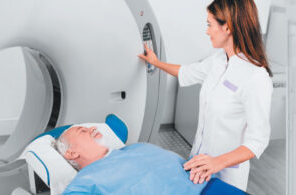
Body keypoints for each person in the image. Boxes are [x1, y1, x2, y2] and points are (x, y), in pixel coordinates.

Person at [138, 0, 273, 191]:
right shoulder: (218, 60)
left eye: (210, 24)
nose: (207, 31)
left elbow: (258, 139)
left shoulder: (256, 77)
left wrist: (217, 162)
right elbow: (185, 72)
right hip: (199, 162)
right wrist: (156, 62)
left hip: (226, 173)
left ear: (227, 28)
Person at [56, 126, 208, 195]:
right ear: (71, 153)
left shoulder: (137, 147)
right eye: (83, 131)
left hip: (210, 186)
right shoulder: (86, 181)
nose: (92, 129)